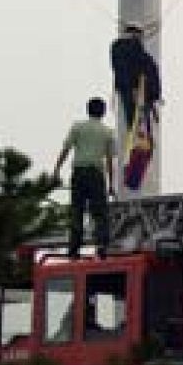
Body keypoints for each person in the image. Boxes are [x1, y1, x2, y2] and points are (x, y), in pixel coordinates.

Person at [52, 98, 117, 258]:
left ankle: (74, 249)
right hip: (96, 174)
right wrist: (111, 184)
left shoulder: (77, 127)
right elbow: (109, 160)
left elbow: (66, 149)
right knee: (99, 212)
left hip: (79, 173)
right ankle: (101, 246)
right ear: (103, 112)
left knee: (77, 211)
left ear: (88, 110)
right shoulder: (107, 132)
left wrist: (57, 169)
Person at [110, 22, 162, 191]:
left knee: (135, 128)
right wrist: (154, 96)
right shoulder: (137, 52)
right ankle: (133, 171)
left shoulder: (117, 48)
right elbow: (148, 70)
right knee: (138, 130)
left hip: (130, 91)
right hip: (137, 92)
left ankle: (132, 169)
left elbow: (120, 68)